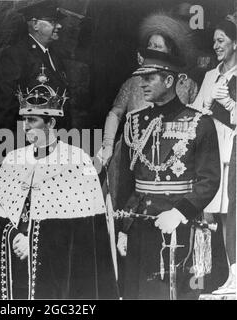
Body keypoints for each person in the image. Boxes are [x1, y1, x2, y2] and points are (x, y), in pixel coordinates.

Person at [0, 67, 119, 299]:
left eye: (32, 120)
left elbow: (82, 237)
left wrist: (32, 243)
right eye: (24, 120)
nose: (26, 126)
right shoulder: (13, 160)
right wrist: (15, 237)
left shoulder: (76, 161)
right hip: (15, 264)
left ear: (50, 123)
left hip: (56, 275)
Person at [115, 49, 221, 299]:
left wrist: (179, 213)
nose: (142, 84)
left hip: (177, 225)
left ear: (169, 81)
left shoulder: (199, 123)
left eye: (149, 78)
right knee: (137, 292)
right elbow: (126, 181)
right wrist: (123, 227)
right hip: (139, 225)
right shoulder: (134, 122)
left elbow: (209, 180)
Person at [97, 12, 198, 167]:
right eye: (149, 45)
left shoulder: (187, 84)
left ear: (170, 51)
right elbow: (115, 113)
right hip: (132, 152)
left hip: (170, 156)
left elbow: (194, 123)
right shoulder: (133, 82)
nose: (151, 49)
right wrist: (108, 145)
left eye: (157, 46)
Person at [192, 13, 237, 295]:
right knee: (217, 213)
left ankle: (236, 274)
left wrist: (227, 104)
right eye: (214, 41)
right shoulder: (210, 75)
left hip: (233, 150)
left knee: (233, 212)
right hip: (211, 150)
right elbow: (197, 109)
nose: (216, 45)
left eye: (221, 40)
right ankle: (228, 275)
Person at [0, 0, 70, 137]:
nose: (59, 26)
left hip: (54, 140)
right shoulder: (15, 55)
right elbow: (6, 107)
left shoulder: (55, 57)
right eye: (52, 22)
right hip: (27, 141)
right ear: (35, 24)